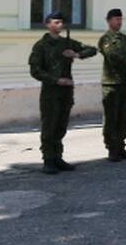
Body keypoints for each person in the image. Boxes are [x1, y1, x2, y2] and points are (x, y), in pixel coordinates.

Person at [28, 11, 97, 173]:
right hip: (50, 92)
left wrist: (77, 54)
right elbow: (35, 70)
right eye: (56, 22)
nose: (60, 25)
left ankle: (57, 157)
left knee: (61, 125)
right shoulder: (41, 46)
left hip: (66, 92)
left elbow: (92, 50)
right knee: (49, 126)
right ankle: (48, 160)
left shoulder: (66, 43)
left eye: (61, 22)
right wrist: (56, 80)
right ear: (48, 24)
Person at [98, 8, 126, 162]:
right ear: (109, 21)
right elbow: (113, 56)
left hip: (124, 83)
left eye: (120, 19)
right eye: (116, 19)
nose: (119, 22)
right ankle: (112, 148)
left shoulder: (125, 39)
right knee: (111, 117)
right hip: (111, 83)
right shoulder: (105, 39)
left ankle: (121, 146)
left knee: (123, 117)